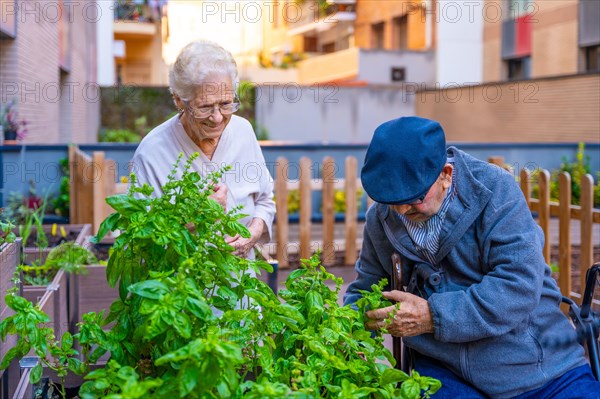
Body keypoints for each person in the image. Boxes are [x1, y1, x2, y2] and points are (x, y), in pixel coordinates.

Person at [344, 116, 600, 398]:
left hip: (535, 365)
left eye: (414, 198)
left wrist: (433, 316)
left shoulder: (495, 191)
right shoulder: (380, 219)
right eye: (392, 201)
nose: (402, 211)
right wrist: (348, 339)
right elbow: (366, 286)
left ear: (445, 174)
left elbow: (518, 286)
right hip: (445, 369)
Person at [130, 40, 275, 259]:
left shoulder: (243, 131)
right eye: (205, 107)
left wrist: (253, 233)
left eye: (226, 104)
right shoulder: (152, 153)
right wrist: (196, 215)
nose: (217, 118)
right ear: (179, 101)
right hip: (179, 290)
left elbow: (265, 201)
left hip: (241, 285)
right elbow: (141, 242)